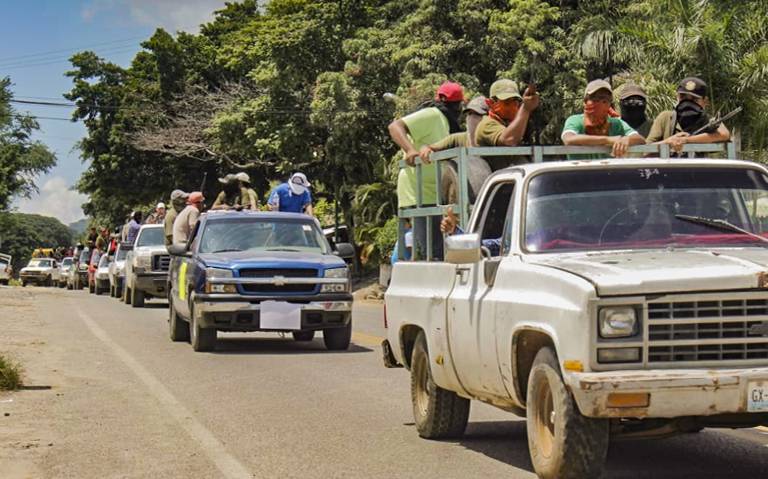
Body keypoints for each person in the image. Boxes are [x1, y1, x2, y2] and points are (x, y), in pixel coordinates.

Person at [388, 81, 465, 259]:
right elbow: (395, 127)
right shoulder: (432, 114)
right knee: (435, 251)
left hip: (439, 195)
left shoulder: (448, 124)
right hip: (420, 193)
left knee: (447, 247)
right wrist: (410, 150)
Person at [561, 79, 644, 159]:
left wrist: (627, 139)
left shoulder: (616, 123)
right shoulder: (576, 120)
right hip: (580, 171)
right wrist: (608, 140)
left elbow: (640, 139)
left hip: (607, 171)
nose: (600, 103)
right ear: (585, 102)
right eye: (596, 99)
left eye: (605, 100)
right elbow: (568, 139)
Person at [646, 76, 730, 152]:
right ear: (677, 97)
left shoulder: (706, 120)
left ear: (705, 101)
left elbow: (724, 134)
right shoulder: (665, 117)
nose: (687, 103)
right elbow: (646, 148)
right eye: (683, 97)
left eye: (694, 99)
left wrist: (687, 140)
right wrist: (668, 142)